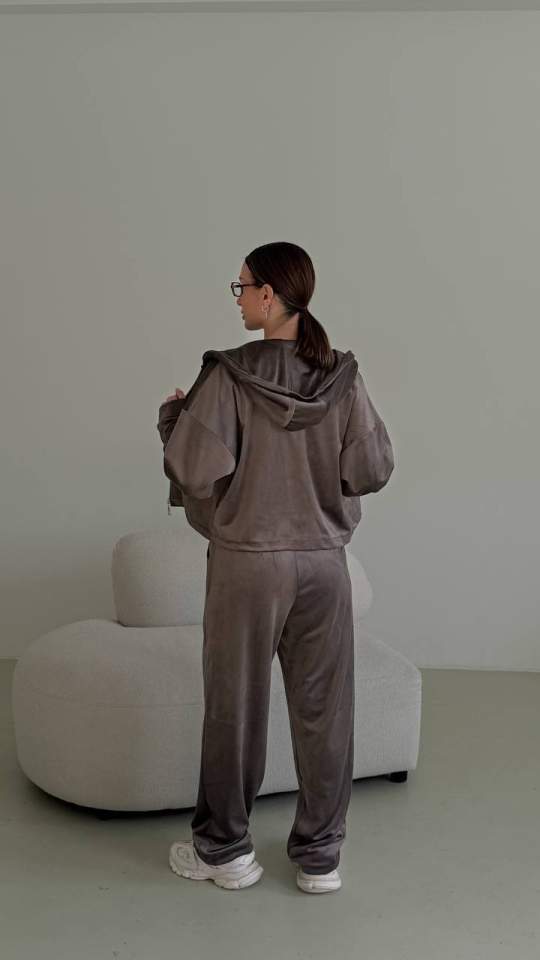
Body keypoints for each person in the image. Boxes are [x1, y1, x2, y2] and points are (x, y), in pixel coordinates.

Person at [156, 241, 395, 893]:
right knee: (326, 710)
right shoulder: (342, 376)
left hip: (249, 567)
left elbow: (192, 467)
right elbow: (372, 468)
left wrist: (174, 417)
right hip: (324, 566)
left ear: (268, 294)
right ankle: (321, 858)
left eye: (242, 288)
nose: (237, 300)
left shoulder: (229, 375)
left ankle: (225, 852)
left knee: (235, 706)